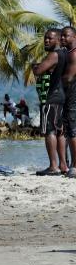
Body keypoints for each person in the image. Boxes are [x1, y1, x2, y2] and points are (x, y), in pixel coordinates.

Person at [33, 28, 68, 176]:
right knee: (60, 131)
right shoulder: (67, 54)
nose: (46, 40)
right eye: (45, 38)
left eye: (50, 38)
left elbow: (38, 70)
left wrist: (35, 66)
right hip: (64, 97)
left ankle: (53, 166)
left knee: (50, 131)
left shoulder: (54, 54)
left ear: (59, 40)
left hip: (52, 97)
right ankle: (63, 165)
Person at [61, 26, 76, 177]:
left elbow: (69, 78)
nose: (63, 38)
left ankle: (75, 165)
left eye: (66, 36)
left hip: (71, 96)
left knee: (72, 131)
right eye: (62, 36)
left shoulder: (73, 55)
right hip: (71, 96)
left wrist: (56, 81)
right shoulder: (69, 53)